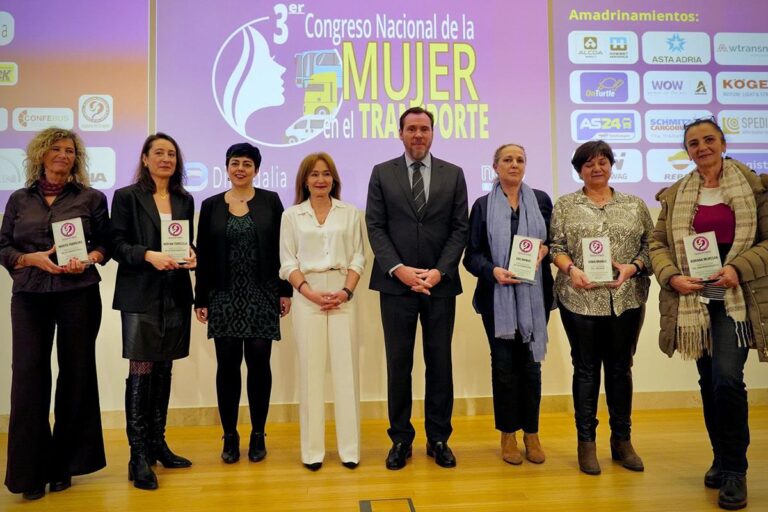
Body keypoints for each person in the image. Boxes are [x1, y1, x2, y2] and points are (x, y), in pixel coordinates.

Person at [650, 118, 768, 511]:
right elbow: (658, 243)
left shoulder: (755, 186)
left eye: (708, 140)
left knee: (727, 378)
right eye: (694, 143)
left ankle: (735, 470)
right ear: (687, 151)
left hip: (735, 294)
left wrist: (739, 268)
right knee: (707, 381)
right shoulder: (678, 193)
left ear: (722, 142)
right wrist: (672, 277)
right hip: (694, 298)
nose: (702, 147)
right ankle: (720, 456)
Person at [0, 128, 109, 500]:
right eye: (56, 149)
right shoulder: (18, 199)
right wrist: (25, 259)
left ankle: (64, 465)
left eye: (70, 150)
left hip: (77, 293)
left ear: (76, 159)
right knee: (28, 378)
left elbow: (104, 244)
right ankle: (30, 473)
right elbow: (3, 245)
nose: (63, 155)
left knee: (76, 375)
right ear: (41, 155)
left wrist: (90, 259)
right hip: (30, 295)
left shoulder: (91, 198)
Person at [366, 106, 469, 470]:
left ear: (433, 133)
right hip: (396, 287)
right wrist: (399, 270)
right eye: (411, 129)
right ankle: (400, 439)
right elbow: (375, 226)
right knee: (399, 364)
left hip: (439, 287)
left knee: (439, 364)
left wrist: (439, 272)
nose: (418, 135)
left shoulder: (453, 174)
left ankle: (439, 438)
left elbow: (460, 228)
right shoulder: (382, 173)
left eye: (424, 129)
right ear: (401, 133)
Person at [550, 140, 653, 476]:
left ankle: (622, 441)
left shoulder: (635, 205)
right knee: (586, 369)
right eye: (589, 163)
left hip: (626, 299)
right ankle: (586, 443)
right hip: (579, 299)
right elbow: (555, 247)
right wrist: (571, 270)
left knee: (621, 369)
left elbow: (651, 249)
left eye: (603, 162)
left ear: (611, 165)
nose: (597, 168)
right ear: (579, 169)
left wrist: (633, 268)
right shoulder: (565, 205)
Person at [194, 142, 292, 464]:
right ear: (226, 167)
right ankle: (230, 435)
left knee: (260, 364)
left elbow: (282, 248)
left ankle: (259, 433)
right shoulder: (209, 205)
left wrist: (284, 291)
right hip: (223, 295)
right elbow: (204, 255)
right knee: (227, 365)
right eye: (235, 163)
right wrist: (201, 298)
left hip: (262, 294)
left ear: (256, 169)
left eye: (247, 164)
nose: (240, 169)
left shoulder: (271, 202)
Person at [111, 133, 195, 491]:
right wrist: (148, 255)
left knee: (165, 368)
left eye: (171, 154)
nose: (166, 158)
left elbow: (184, 240)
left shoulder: (184, 199)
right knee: (142, 369)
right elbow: (117, 244)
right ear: (144, 158)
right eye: (158, 152)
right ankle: (138, 454)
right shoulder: (127, 197)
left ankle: (158, 443)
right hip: (140, 294)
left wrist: (192, 255)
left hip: (174, 294)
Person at [463, 143, 553, 466]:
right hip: (495, 300)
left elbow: (553, 244)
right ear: (496, 167)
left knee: (531, 367)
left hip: (534, 300)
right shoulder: (482, 206)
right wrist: (493, 271)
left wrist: (545, 252)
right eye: (507, 160)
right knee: (503, 368)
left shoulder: (541, 200)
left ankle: (532, 433)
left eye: (520, 159)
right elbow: (471, 257)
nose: (514, 165)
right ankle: (508, 434)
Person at [279, 152, 365, 471]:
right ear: (305, 180)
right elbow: (288, 263)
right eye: (314, 174)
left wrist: (345, 291)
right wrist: (309, 292)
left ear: (334, 179)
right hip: (307, 292)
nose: (320, 180)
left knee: (346, 372)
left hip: (343, 291)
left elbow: (358, 257)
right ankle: (312, 452)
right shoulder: (292, 216)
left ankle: (350, 450)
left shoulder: (350, 213)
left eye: (326, 174)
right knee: (311, 371)